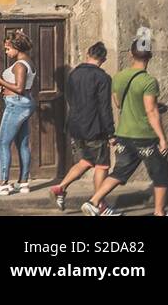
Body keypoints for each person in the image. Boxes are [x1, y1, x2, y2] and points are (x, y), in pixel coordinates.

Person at [83, 39, 168, 217]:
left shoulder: (120, 77)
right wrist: (162, 138)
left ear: (131, 54)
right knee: (161, 174)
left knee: (120, 172)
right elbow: (151, 110)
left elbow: (118, 102)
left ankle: (93, 201)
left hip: (124, 134)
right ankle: (159, 213)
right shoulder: (149, 81)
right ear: (150, 56)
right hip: (144, 136)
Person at [49, 42, 113, 211]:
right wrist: (111, 133)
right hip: (94, 127)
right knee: (102, 165)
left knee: (86, 161)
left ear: (87, 54)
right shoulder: (103, 78)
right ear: (104, 59)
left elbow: (70, 99)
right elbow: (105, 107)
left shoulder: (73, 74)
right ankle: (99, 203)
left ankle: (60, 187)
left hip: (75, 126)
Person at [0, 30, 36, 196]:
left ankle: (3, 183)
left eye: (7, 49)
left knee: (3, 143)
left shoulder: (19, 65)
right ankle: (23, 182)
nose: (6, 52)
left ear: (16, 47)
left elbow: (19, 88)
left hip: (16, 105)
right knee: (22, 143)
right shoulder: (28, 62)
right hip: (24, 104)